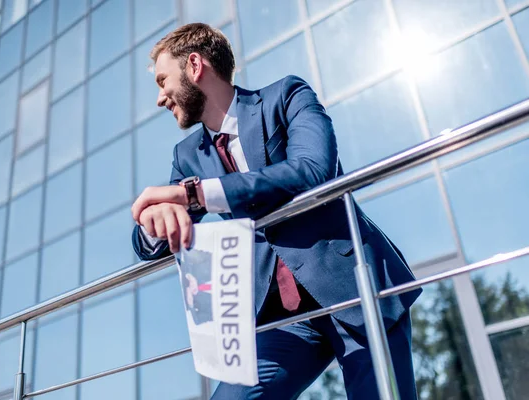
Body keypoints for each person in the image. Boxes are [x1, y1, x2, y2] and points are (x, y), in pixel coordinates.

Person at [131, 22, 422, 399]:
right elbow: (152, 237)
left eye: (161, 81)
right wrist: (154, 223)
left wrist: (198, 194)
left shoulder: (286, 95)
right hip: (281, 320)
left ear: (194, 65)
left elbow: (313, 170)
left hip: (353, 285)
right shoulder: (187, 156)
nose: (160, 98)